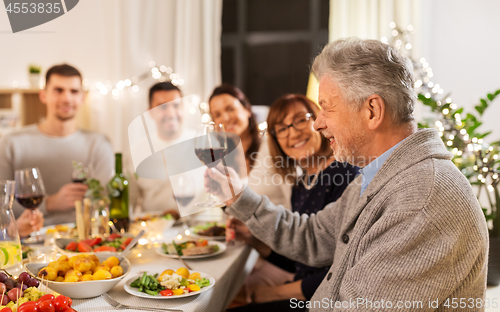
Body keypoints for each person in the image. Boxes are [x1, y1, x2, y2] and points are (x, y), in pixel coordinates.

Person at [206, 38, 488, 311]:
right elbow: (312, 237)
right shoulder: (377, 177)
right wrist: (239, 196)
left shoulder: (422, 199)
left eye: (326, 107)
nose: (317, 123)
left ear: (372, 111)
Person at [227, 94, 358, 311]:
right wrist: (255, 240)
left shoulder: (344, 173)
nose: (293, 132)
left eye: (300, 120)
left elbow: (343, 269)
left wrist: (274, 293)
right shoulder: (301, 182)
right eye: (282, 128)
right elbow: (303, 255)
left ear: (318, 120)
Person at [0, 64, 114, 226]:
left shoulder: (99, 144)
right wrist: (50, 203)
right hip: (31, 241)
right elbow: (2, 205)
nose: (67, 98)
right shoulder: (11, 143)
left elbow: (104, 201)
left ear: (82, 97)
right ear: (43, 95)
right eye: (58, 90)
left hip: (83, 241)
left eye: (74, 91)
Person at [208, 84, 291, 209]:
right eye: (217, 115)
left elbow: (293, 200)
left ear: (247, 109)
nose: (225, 118)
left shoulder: (271, 147)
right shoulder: (222, 159)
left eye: (230, 109)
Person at [127, 81, 194, 216]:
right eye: (162, 107)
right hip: (155, 230)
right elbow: (130, 201)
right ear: (150, 112)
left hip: (199, 228)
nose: (170, 113)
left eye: (176, 105)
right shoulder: (137, 151)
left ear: (183, 108)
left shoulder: (203, 145)